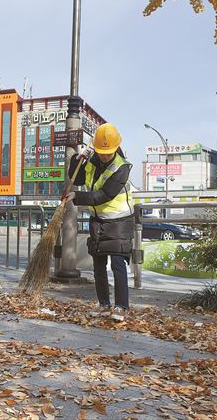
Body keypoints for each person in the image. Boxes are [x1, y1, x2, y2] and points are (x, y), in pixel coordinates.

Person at [62, 123, 134, 322]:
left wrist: (77, 197)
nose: (104, 156)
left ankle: (121, 307)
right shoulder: (92, 160)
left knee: (118, 263)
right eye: (101, 152)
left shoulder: (121, 168)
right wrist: (77, 161)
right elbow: (77, 179)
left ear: (115, 148)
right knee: (98, 265)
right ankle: (104, 305)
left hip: (120, 221)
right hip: (98, 220)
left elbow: (103, 195)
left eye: (107, 152)